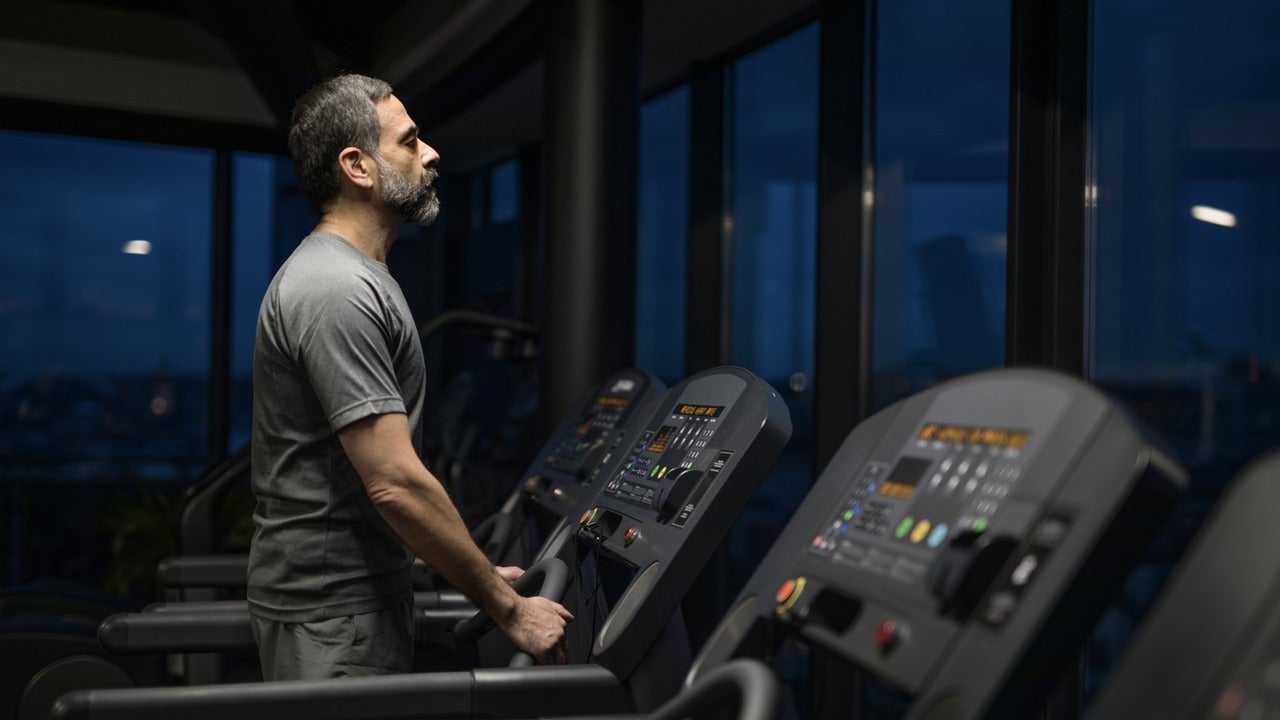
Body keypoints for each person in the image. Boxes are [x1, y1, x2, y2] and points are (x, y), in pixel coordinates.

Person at [247, 73, 572, 680]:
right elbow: (394, 481)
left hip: (355, 601)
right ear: (358, 166)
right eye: (409, 140)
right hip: (335, 618)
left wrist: (465, 565)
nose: (431, 154)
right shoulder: (334, 290)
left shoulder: (356, 277)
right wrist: (509, 610)